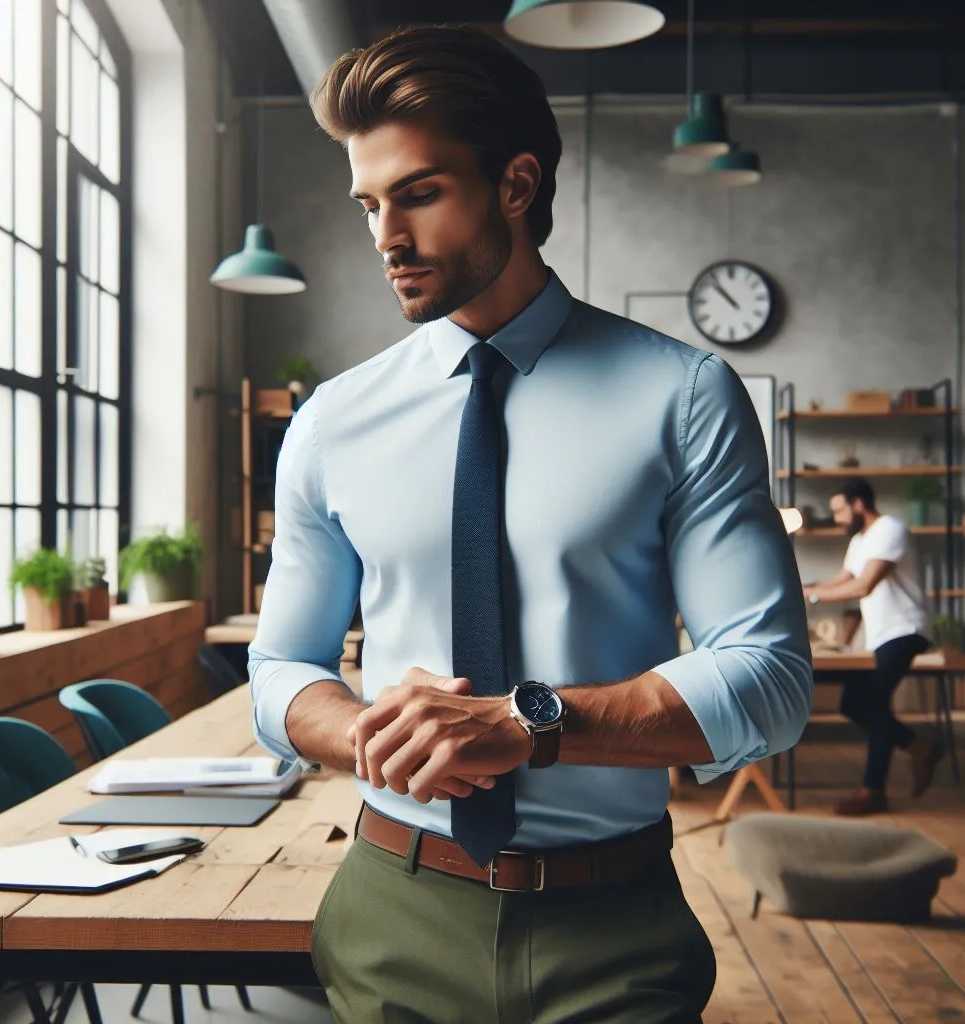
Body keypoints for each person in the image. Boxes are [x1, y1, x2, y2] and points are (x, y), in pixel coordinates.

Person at [248, 24, 812, 1023]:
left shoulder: (681, 396)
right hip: (392, 908)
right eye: (369, 204)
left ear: (515, 185)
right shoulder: (332, 420)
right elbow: (280, 672)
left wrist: (526, 725)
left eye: (419, 193)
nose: (386, 237)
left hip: (615, 922)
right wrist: (374, 730)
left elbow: (767, 677)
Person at [802, 477, 943, 816]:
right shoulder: (861, 541)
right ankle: (920, 746)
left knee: (875, 701)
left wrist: (813, 596)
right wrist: (801, 585)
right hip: (880, 635)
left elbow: (863, 586)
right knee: (853, 702)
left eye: (839, 511)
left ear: (858, 505)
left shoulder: (890, 529)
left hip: (906, 630)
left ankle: (872, 792)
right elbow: (842, 579)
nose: (836, 519)